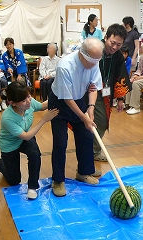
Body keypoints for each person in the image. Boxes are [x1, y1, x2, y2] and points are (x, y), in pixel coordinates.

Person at [48, 38, 104, 197]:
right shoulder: (65, 66)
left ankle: (84, 172)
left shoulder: (94, 61)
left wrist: (91, 108)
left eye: (97, 61)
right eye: (92, 61)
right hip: (60, 101)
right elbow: (67, 99)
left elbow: (93, 87)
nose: (94, 64)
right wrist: (84, 117)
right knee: (60, 141)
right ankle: (58, 180)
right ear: (82, 54)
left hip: (79, 99)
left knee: (86, 135)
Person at [0, 81, 59, 199]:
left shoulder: (29, 103)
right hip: (10, 144)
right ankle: (2, 164)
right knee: (14, 180)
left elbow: (42, 106)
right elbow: (26, 136)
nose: (29, 101)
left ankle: (32, 187)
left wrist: (57, 93)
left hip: (25, 138)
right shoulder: (7, 118)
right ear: (13, 103)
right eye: (24, 100)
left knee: (35, 154)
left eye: (29, 97)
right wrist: (44, 119)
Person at [93, 24, 130, 162]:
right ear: (106, 37)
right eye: (112, 43)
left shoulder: (118, 56)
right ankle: (93, 152)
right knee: (98, 121)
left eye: (118, 45)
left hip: (106, 93)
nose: (114, 47)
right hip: (89, 91)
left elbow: (121, 76)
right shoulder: (95, 50)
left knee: (102, 121)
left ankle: (94, 151)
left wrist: (120, 98)